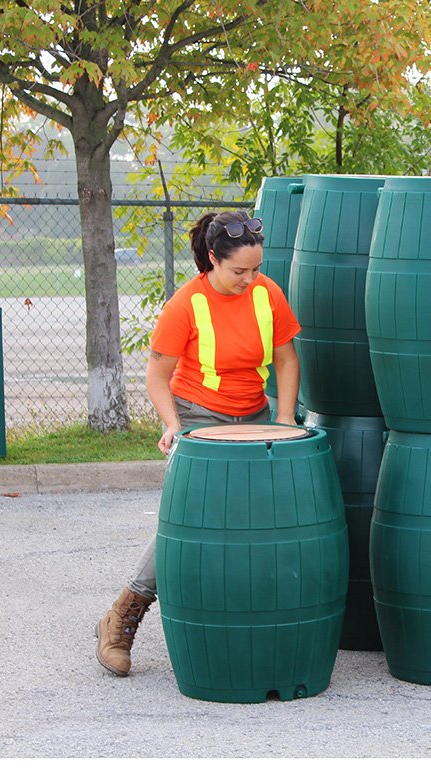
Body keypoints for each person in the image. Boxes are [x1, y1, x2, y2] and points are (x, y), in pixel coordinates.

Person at [95, 210, 301, 677]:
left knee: (261, 521)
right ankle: (124, 613)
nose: (250, 280)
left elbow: (287, 360)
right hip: (198, 417)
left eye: (256, 269)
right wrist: (172, 425)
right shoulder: (186, 304)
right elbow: (157, 375)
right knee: (189, 520)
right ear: (212, 259)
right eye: (238, 272)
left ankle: (253, 621)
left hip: (255, 418)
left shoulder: (267, 293)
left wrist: (284, 418)